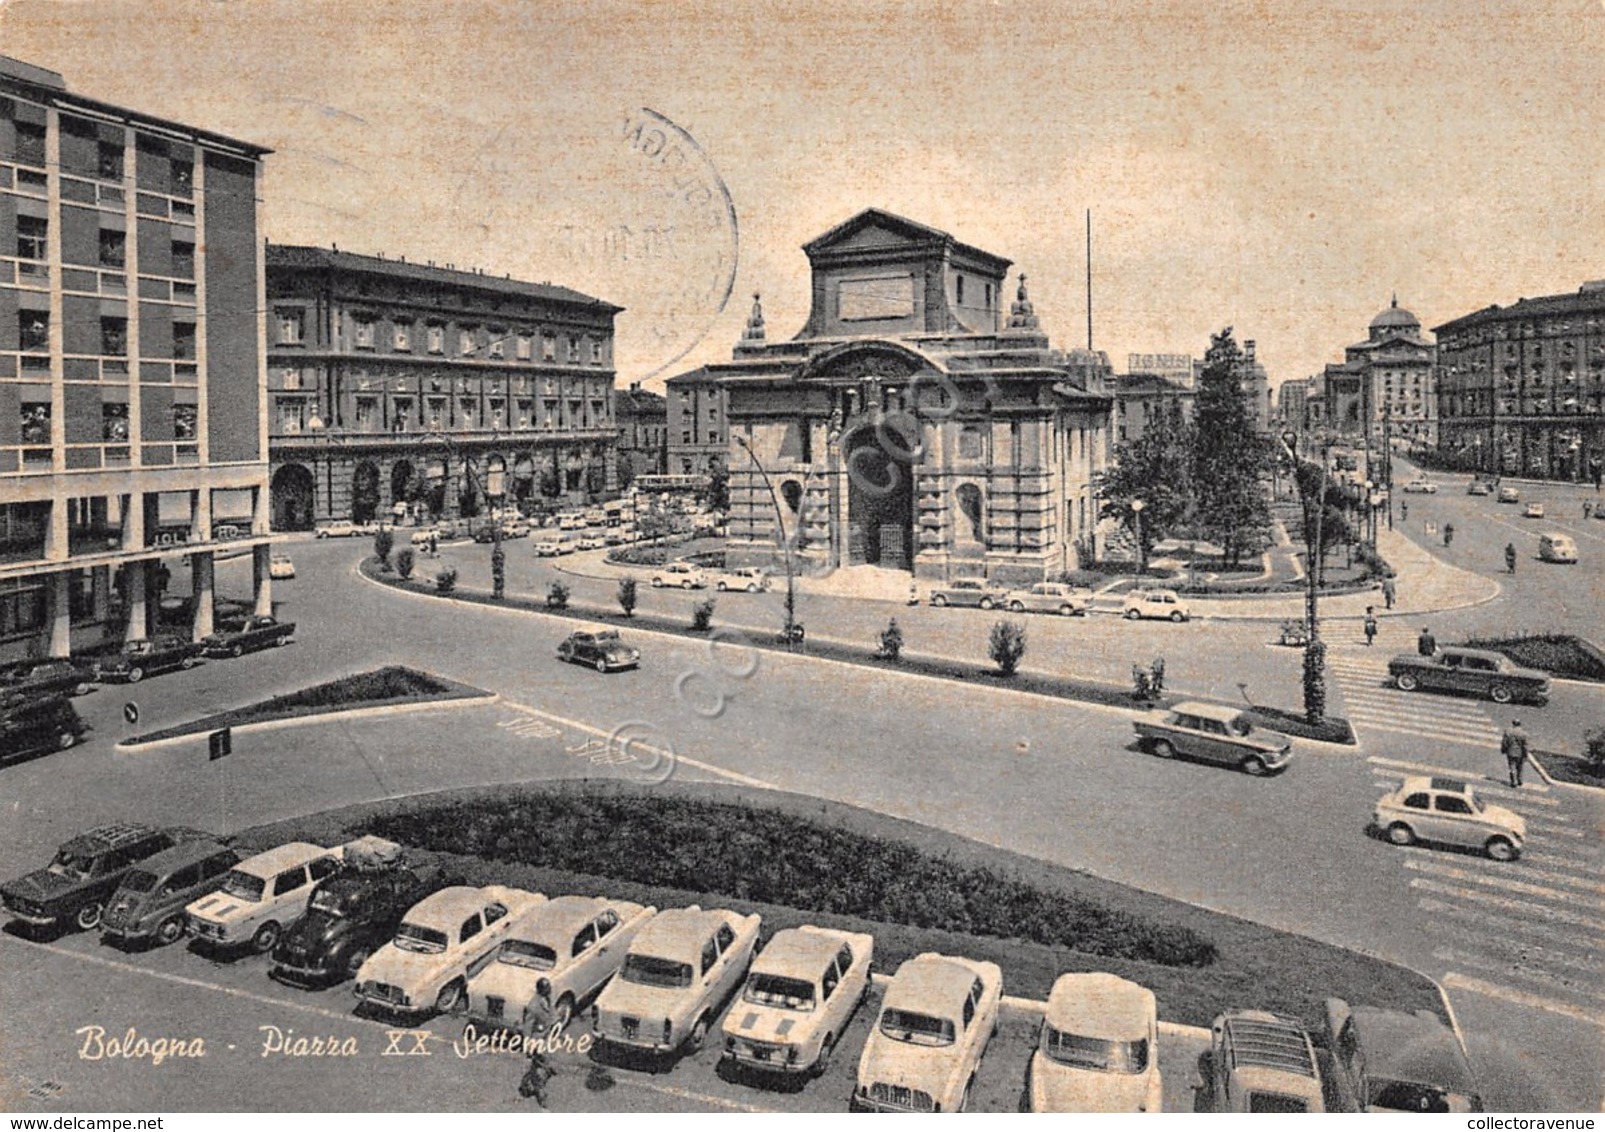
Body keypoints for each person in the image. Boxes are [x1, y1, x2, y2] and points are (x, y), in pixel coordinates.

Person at [1501, 719, 1530, 788]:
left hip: (1510, 752)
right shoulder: (1523, 733)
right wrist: (1526, 754)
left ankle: (1513, 781)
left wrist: (1503, 749)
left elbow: (1504, 742)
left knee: (1512, 766)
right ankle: (1519, 780)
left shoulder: (1508, 732)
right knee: (1520, 767)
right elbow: (1525, 745)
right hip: (1520, 753)